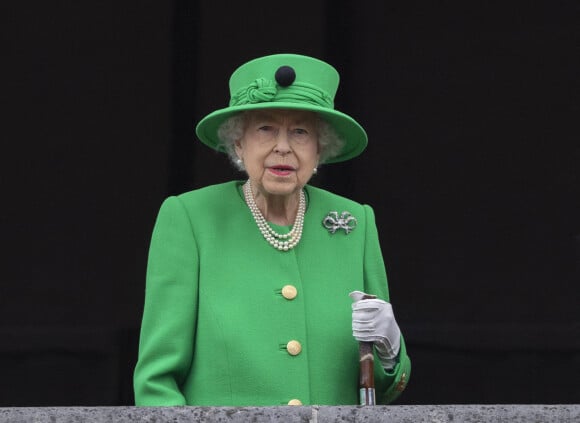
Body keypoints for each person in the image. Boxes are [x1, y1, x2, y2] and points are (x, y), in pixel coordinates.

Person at [133, 53, 411, 406]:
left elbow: (381, 391)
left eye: (300, 131)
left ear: (319, 147)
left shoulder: (355, 223)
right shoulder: (190, 218)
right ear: (238, 143)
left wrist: (391, 352)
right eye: (265, 128)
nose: (283, 147)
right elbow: (156, 383)